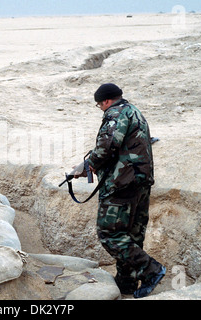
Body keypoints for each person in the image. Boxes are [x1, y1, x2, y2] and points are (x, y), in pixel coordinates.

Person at [83, 83, 166, 298]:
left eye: (99, 104)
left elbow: (108, 145)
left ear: (106, 101)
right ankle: (126, 284)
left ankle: (151, 270)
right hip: (140, 181)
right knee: (131, 234)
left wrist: (89, 164)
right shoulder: (133, 110)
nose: (100, 108)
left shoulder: (115, 113)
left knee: (109, 232)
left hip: (122, 183)